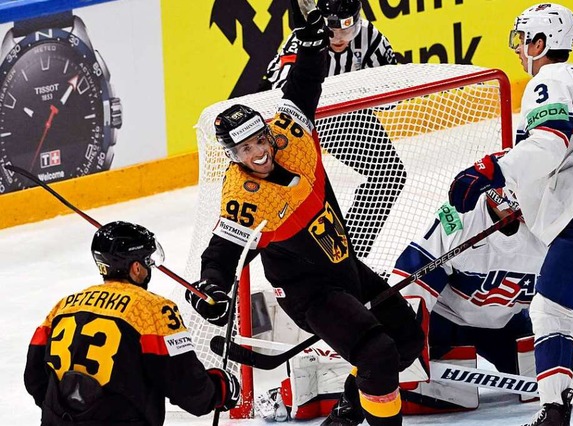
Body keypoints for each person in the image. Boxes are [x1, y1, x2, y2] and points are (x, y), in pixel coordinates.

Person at [185, 9, 424, 426]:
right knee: (377, 351)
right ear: (232, 155)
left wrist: (313, 45)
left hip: (345, 265)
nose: (258, 153)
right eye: (244, 150)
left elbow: (302, 85)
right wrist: (212, 286)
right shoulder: (243, 195)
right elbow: (223, 250)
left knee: (405, 340)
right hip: (309, 292)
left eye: (259, 140)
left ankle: (351, 406)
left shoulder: (290, 136)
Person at [447, 4, 573, 425]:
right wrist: (509, 188)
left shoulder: (548, 78)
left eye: (521, 39)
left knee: (548, 310)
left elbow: (549, 146)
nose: (517, 48)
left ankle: (552, 410)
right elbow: (561, 154)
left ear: (540, 43)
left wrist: (490, 171)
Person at [322, 189, 547, 423]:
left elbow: (570, 306)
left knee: (546, 380)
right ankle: (348, 405)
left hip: (504, 326)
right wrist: (408, 347)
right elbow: (411, 288)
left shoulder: (557, 229)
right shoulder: (460, 218)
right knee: (392, 361)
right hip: (441, 324)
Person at [24, 221, 240, 426]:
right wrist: (219, 389)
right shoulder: (154, 309)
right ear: (136, 268)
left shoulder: (63, 306)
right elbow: (186, 385)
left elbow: (34, 378)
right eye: (148, 262)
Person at [259, 0, 406, 259]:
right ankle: (292, 264)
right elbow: (280, 91)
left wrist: (371, 88)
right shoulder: (301, 40)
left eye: (346, 30)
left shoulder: (371, 38)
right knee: (298, 198)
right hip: (301, 125)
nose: (339, 38)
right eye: (331, 30)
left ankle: (352, 256)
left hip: (349, 117)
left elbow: (392, 101)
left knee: (390, 174)